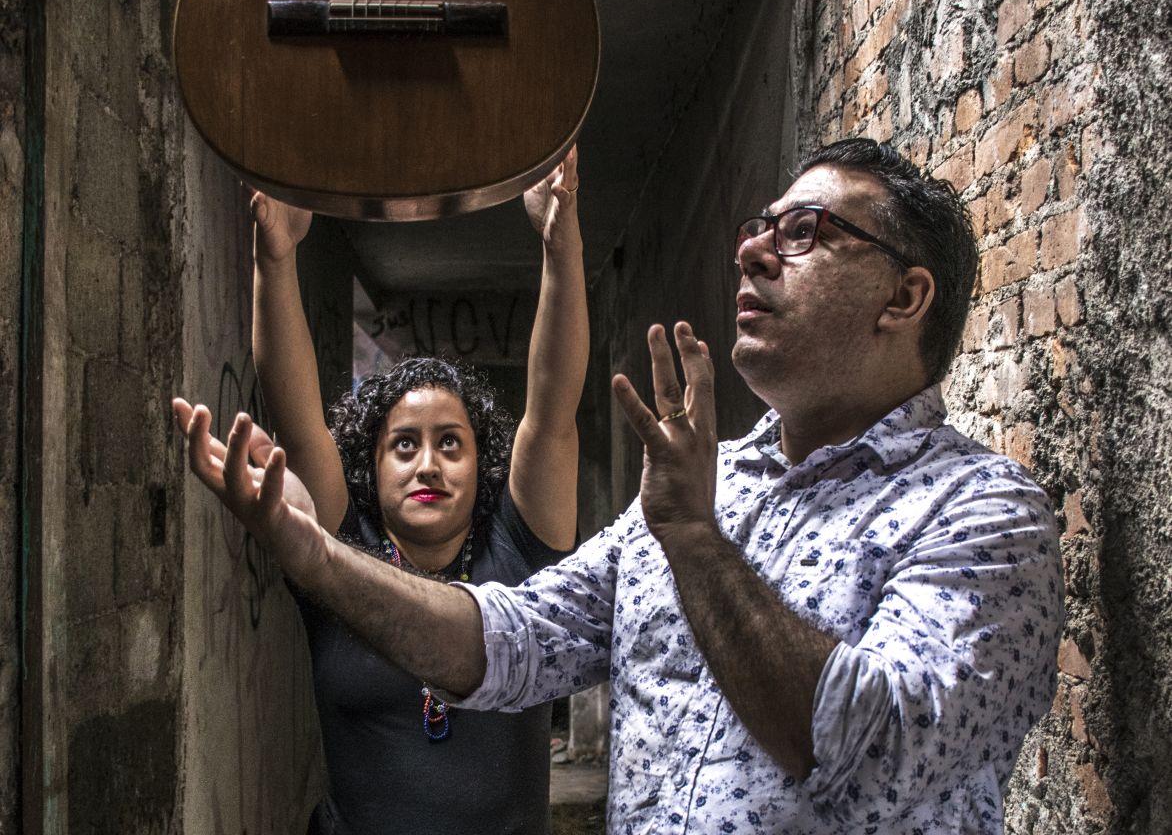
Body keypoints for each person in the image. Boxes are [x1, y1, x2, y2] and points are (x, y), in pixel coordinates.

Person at [177, 137, 1063, 835]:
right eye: (760, 226)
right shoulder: (710, 487)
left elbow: (870, 752)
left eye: (804, 233)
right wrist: (316, 559)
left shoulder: (982, 513)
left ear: (904, 298)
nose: (753, 249)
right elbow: (513, 639)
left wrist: (695, 540)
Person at [240, 148, 587, 835]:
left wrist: (559, 242)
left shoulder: (519, 553)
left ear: (481, 460)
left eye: (450, 443)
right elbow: (299, 416)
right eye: (405, 444)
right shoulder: (338, 555)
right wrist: (274, 259)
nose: (428, 464)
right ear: (372, 464)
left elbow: (551, 408)